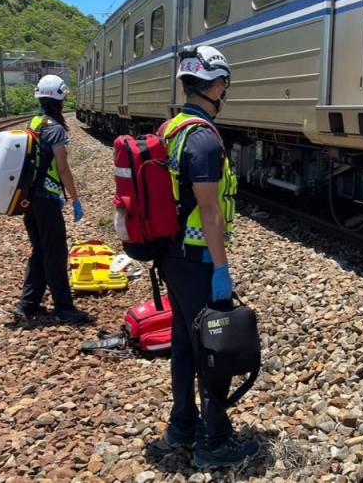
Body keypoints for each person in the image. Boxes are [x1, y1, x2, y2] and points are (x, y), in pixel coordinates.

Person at [160, 46, 257, 469]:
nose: (225, 91)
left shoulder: (172, 127)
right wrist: (221, 268)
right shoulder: (202, 138)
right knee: (213, 347)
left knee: (184, 342)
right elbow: (210, 210)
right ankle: (214, 443)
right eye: (225, 85)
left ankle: (182, 427)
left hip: (172, 254)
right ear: (215, 85)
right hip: (196, 258)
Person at [13, 74, 92, 324]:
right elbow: (64, 167)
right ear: (61, 98)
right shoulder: (56, 129)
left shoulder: (34, 122)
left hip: (29, 198)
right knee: (55, 252)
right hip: (46, 198)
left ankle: (28, 305)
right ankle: (64, 308)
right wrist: (75, 199)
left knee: (41, 250)